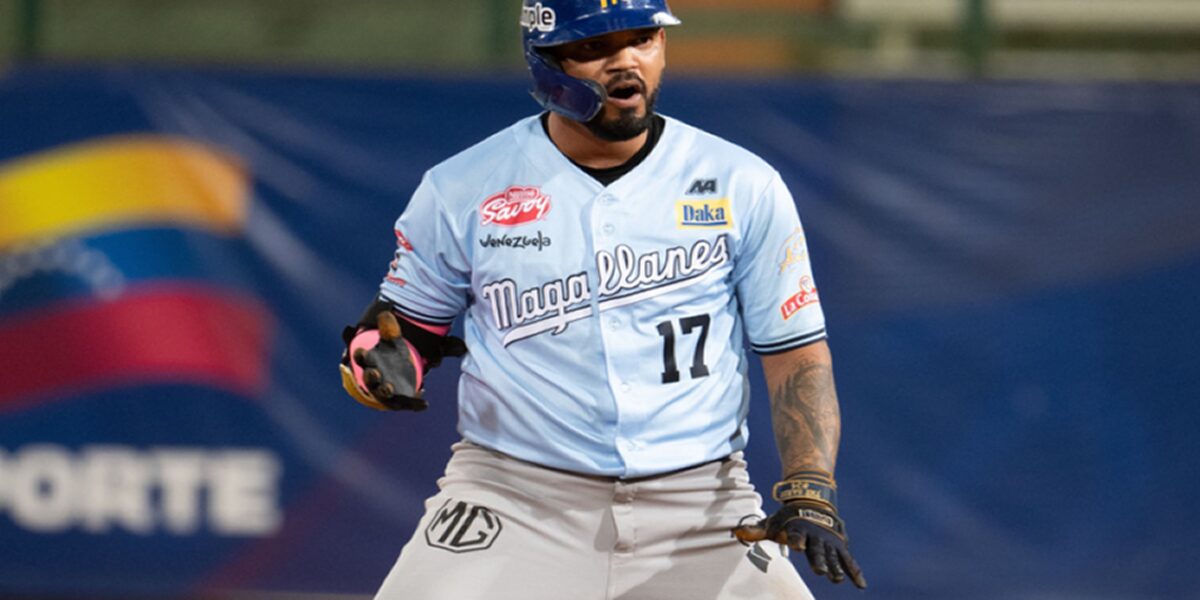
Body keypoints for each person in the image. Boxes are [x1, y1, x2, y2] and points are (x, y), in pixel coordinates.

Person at [339, 1, 867, 597]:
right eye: (594, 47)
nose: (626, 62)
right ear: (546, 62)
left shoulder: (741, 182)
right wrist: (379, 362)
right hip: (512, 498)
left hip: (703, 503)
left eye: (642, 38)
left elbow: (796, 354)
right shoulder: (461, 187)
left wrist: (810, 488)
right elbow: (402, 332)